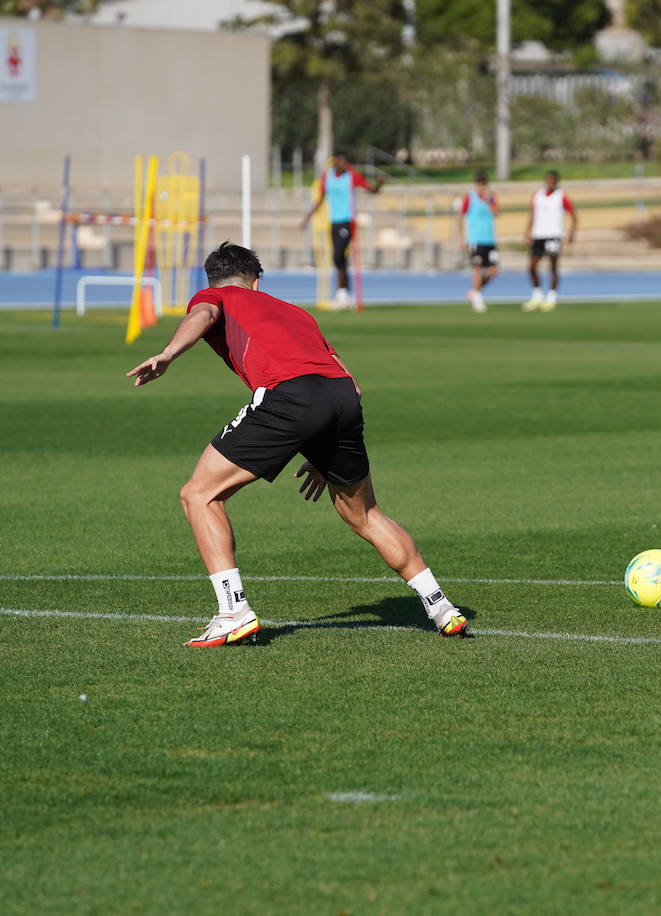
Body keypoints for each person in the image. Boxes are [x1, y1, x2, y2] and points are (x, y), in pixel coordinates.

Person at [125, 242, 469, 645]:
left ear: (216, 279)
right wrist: (323, 447)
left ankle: (233, 611)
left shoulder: (214, 295)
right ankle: (441, 606)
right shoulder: (294, 312)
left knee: (199, 495)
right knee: (364, 515)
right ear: (257, 280)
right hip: (341, 398)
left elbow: (203, 314)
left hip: (289, 397)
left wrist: (168, 354)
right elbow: (351, 383)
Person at [298, 152, 384, 310]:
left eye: (347, 163)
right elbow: (321, 199)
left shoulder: (352, 176)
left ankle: (343, 294)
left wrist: (379, 184)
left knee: (338, 256)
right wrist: (307, 218)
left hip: (347, 221)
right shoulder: (327, 177)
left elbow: (372, 190)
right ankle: (344, 294)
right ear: (336, 163)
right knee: (339, 260)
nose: (345, 165)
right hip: (334, 222)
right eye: (342, 162)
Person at [521, 170, 577, 312]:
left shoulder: (561, 196)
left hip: (554, 235)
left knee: (553, 266)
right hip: (539, 235)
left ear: (557, 182)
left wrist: (571, 232)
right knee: (531, 266)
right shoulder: (537, 195)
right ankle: (537, 295)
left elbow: (573, 214)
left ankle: (552, 296)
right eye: (549, 179)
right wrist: (527, 232)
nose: (550, 182)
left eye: (553, 180)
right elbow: (532, 215)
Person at [460, 169, 500, 313]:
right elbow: (461, 216)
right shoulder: (468, 197)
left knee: (493, 271)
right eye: (479, 184)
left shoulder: (491, 196)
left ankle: (475, 291)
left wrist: (488, 201)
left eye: (483, 184)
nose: (481, 187)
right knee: (477, 269)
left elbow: (496, 213)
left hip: (489, 239)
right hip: (475, 239)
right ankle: (478, 298)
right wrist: (462, 238)